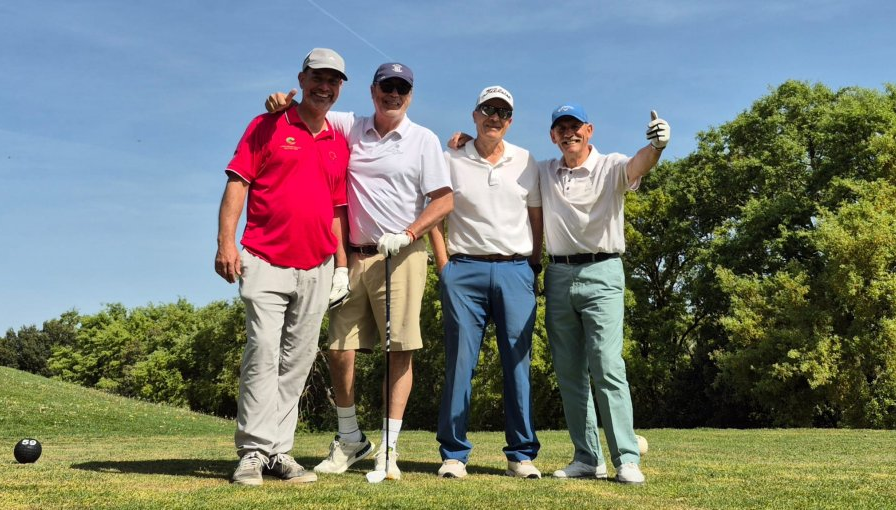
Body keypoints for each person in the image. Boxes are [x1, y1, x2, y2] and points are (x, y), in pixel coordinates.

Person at [265, 62, 453, 480]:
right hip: (351, 257)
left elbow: (443, 201)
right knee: (338, 347)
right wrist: (280, 105)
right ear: (373, 91)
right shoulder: (350, 125)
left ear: (410, 95)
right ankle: (350, 437)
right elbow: (310, 111)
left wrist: (409, 233)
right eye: (387, 86)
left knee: (398, 350)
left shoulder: (423, 139)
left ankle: (389, 448)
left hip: (402, 255)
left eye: (402, 88)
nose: (393, 94)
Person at [215, 48, 351, 486]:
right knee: (263, 353)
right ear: (302, 78)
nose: (324, 87)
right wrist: (225, 243)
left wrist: (341, 265)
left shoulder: (337, 141)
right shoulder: (267, 124)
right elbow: (238, 182)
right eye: (317, 78)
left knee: (297, 361)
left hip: (317, 266)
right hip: (264, 258)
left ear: (340, 87)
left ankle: (279, 452)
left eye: (333, 80)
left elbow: (337, 209)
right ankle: (253, 452)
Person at [540, 103, 670, 485]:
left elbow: (639, 165)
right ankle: (587, 458)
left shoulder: (610, 165)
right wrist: (466, 144)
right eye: (562, 128)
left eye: (575, 126)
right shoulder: (545, 171)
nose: (569, 133)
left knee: (607, 364)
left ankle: (626, 459)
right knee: (569, 371)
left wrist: (658, 147)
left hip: (603, 271)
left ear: (589, 130)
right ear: (553, 135)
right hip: (558, 273)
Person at [429, 86, 543, 479]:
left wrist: (533, 265)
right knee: (460, 364)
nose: (495, 117)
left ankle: (521, 455)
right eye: (488, 109)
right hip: (464, 271)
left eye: (503, 112)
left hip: (516, 270)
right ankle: (454, 454)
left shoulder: (526, 160)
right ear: (474, 114)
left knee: (518, 364)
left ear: (510, 121)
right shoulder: (450, 157)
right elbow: (436, 214)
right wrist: (444, 266)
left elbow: (536, 218)